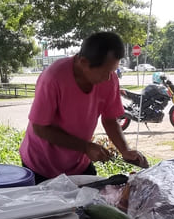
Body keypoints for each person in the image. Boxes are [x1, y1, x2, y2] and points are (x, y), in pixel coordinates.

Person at [20, 31, 149, 183]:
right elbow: (40, 128)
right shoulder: (53, 78)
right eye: (105, 72)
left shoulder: (109, 79)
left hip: (78, 164)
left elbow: (109, 120)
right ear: (83, 62)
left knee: (93, 196)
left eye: (112, 71)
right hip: (41, 165)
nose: (109, 78)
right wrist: (85, 147)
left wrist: (125, 150)